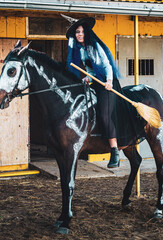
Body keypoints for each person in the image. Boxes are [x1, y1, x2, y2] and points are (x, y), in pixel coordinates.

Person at [62, 14, 145, 168]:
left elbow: (106, 65)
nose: (79, 35)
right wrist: (88, 78)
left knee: (105, 114)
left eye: (81, 31)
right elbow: (90, 70)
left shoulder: (95, 46)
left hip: (107, 83)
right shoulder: (80, 50)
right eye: (77, 32)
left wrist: (108, 81)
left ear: (86, 32)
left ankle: (114, 151)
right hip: (95, 82)